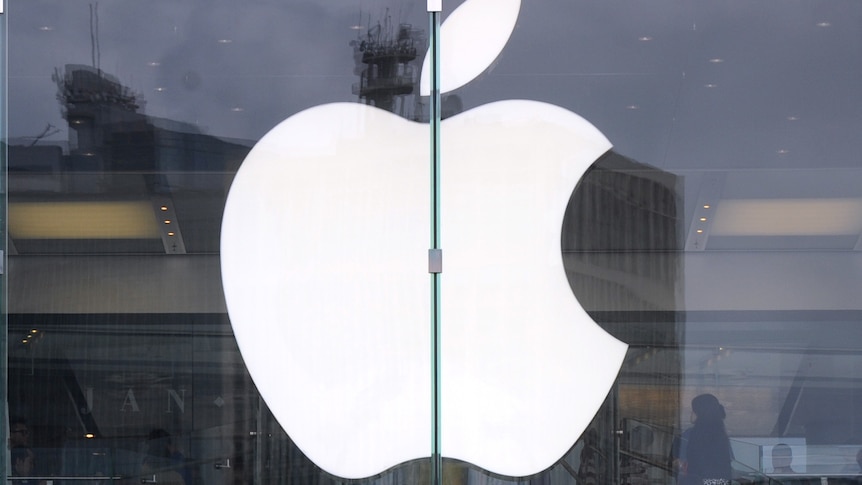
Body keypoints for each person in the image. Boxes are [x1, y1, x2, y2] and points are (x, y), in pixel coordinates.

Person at [674, 394, 733, 485]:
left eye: (693, 410)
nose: (691, 413)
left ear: (699, 413)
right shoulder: (721, 435)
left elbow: (679, 462)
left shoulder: (690, 435)